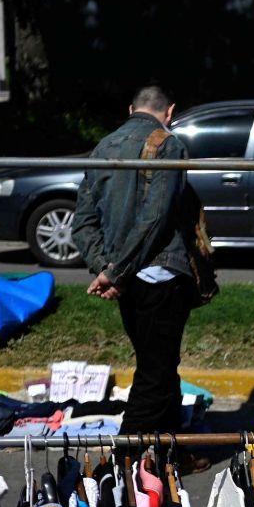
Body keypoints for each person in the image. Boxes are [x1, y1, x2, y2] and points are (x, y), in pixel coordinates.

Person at [72, 83, 205, 435]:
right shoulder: (169, 145)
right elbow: (156, 217)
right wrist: (116, 272)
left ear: (130, 111)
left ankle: (175, 450)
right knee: (155, 373)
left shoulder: (103, 147)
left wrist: (106, 268)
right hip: (159, 275)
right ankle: (126, 456)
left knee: (159, 363)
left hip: (127, 281)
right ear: (170, 112)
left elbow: (82, 223)